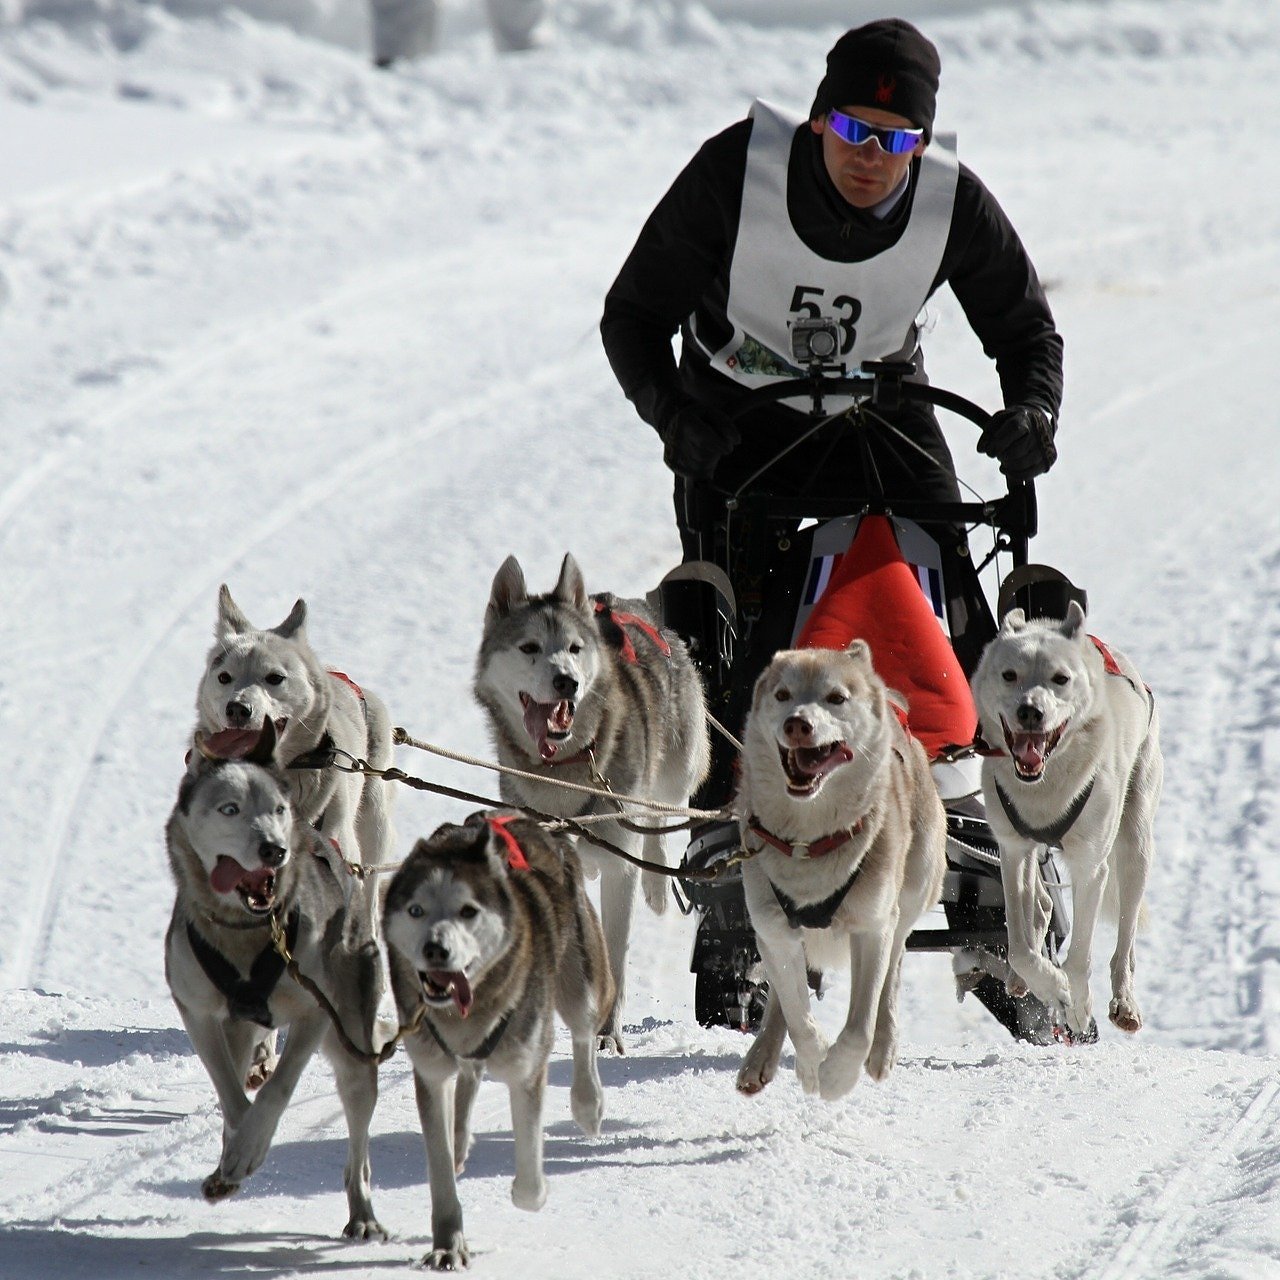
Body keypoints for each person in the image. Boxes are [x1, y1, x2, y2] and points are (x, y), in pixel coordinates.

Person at [599, 18, 1065, 1029]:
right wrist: (675, 421)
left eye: (896, 138)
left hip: (879, 410)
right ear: (819, 119)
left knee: (955, 577)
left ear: (920, 146)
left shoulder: (950, 204)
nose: (871, 155)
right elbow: (628, 316)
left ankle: (994, 817)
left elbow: (1024, 329)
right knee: (733, 631)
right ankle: (736, 844)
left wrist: (1030, 414)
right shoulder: (735, 174)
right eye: (855, 127)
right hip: (734, 418)